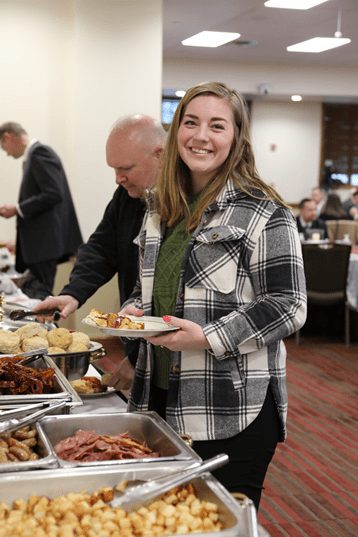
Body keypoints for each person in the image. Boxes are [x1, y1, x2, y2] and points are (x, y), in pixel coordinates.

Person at [118, 82, 307, 510]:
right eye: (191, 122)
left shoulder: (266, 212)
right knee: (169, 520)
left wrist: (205, 337)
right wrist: (132, 310)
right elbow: (150, 285)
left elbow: (288, 306)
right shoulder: (158, 207)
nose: (201, 136)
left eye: (217, 126)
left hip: (230, 408)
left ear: (236, 139)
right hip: (158, 395)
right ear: (176, 131)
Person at [33, 115, 166, 388]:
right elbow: (101, 249)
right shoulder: (127, 196)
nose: (118, 178)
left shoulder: (186, 204)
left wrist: (139, 357)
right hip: (137, 339)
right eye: (113, 169)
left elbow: (170, 298)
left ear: (160, 155)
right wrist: (73, 293)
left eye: (125, 168)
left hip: (170, 355)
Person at [0, 122, 83, 299]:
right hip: (40, 247)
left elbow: (53, 193)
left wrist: (17, 209)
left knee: (39, 298)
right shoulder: (34, 156)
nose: (6, 152)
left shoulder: (40, 153)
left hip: (44, 247)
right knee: (35, 296)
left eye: (3, 146)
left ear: (8, 137)